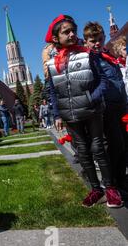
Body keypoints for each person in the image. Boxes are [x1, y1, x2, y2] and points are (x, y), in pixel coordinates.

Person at [45, 14, 123, 208]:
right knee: (83, 150)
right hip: (69, 114)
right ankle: (95, 189)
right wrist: (56, 114)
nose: (72, 34)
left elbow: (102, 80)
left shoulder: (87, 54)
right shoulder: (51, 64)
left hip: (92, 110)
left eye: (73, 30)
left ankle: (111, 189)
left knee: (98, 148)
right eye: (66, 32)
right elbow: (52, 91)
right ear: (56, 38)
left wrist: (92, 98)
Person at [83, 22, 128, 193]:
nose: (97, 43)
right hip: (107, 107)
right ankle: (114, 182)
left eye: (100, 39)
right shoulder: (90, 59)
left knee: (125, 143)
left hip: (121, 104)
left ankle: (121, 178)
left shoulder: (107, 56)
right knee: (115, 145)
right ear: (86, 41)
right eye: (93, 40)